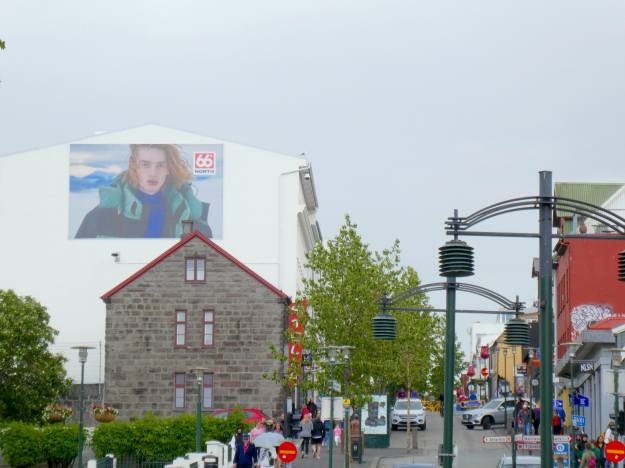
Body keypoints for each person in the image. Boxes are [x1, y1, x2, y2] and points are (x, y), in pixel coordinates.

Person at [76, 144, 213, 238]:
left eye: (160, 165)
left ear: (168, 169)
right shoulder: (102, 215)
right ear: (134, 167)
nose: (153, 173)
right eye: (145, 164)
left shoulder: (187, 213)